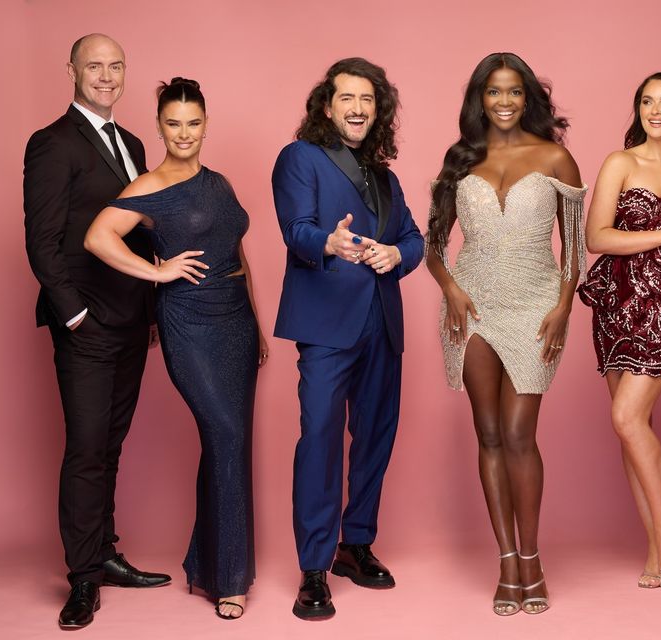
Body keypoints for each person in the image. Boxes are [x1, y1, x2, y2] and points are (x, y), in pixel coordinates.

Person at [85, 78, 266, 620]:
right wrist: (156, 272)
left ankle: (209, 564)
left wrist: (255, 320)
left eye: (193, 122)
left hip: (236, 319)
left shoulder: (221, 182)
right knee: (226, 435)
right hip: (189, 323)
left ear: (205, 124)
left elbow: (237, 251)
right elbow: (98, 237)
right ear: (159, 125)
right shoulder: (148, 186)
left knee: (228, 445)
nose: (183, 133)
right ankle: (231, 579)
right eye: (172, 123)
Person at [426, 52, 586, 616]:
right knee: (489, 434)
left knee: (521, 433)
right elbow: (433, 243)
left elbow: (574, 246)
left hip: (535, 304)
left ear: (528, 98)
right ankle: (507, 561)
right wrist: (450, 289)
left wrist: (564, 306)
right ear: (480, 98)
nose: (503, 102)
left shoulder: (555, 158)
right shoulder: (461, 158)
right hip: (472, 308)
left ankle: (534, 556)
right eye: (493, 92)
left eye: (514, 92)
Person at [23, 33, 170, 630]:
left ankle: (103, 553)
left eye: (115, 67)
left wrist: (153, 310)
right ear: (72, 71)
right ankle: (82, 578)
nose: (106, 76)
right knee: (85, 450)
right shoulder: (51, 144)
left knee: (109, 446)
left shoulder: (133, 143)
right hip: (84, 323)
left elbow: (139, 233)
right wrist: (72, 313)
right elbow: (42, 241)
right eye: (94, 67)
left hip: (132, 320)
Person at [271, 57, 423, 621]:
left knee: (376, 436)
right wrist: (328, 246)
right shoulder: (300, 158)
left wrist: (396, 254)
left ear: (376, 110)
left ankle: (354, 545)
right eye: (347, 99)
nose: (358, 108)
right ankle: (313, 568)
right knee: (321, 439)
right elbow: (297, 230)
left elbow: (414, 238)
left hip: (382, 321)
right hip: (327, 323)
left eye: (368, 100)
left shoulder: (385, 175)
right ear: (327, 105)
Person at [578, 72, 661, 590]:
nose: (656, 110)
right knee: (627, 429)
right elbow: (595, 237)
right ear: (638, 110)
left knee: (627, 416)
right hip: (617, 300)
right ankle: (659, 546)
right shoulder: (621, 161)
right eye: (647, 101)